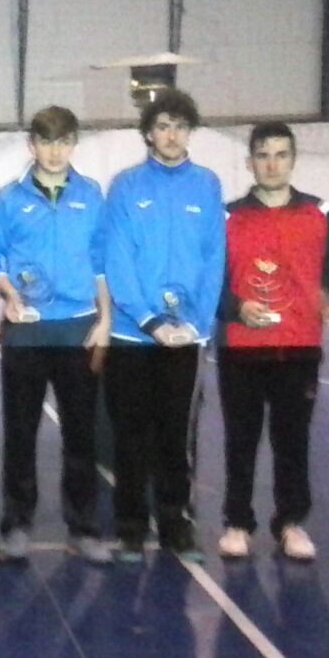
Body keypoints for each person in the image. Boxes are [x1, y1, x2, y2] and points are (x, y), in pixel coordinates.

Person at [216, 121, 329, 562]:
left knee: (292, 439)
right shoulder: (228, 216)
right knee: (241, 439)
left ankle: (291, 523)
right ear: (250, 162)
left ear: (293, 160)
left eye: (281, 155)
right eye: (263, 155)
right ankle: (238, 523)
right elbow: (209, 277)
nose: (272, 164)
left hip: (298, 348)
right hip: (241, 347)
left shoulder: (320, 213)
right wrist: (235, 308)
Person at [102, 88, 225, 561]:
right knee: (130, 435)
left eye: (180, 126)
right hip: (133, 334)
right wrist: (150, 320)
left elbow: (214, 259)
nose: (171, 135)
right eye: (163, 126)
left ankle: (176, 524)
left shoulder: (207, 185)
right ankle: (131, 528)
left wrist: (196, 324)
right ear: (149, 133)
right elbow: (117, 258)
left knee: (176, 435)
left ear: (190, 132)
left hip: (186, 338)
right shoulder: (126, 186)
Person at [0, 106, 114, 564]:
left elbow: (101, 263)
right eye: (46, 141)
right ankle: (17, 524)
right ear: (32, 145)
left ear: (74, 144)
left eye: (63, 142)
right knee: (20, 434)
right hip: (26, 332)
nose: (55, 151)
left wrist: (105, 319)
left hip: (78, 328)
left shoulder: (92, 195)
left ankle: (83, 528)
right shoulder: (7, 199)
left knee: (81, 435)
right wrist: (8, 295)